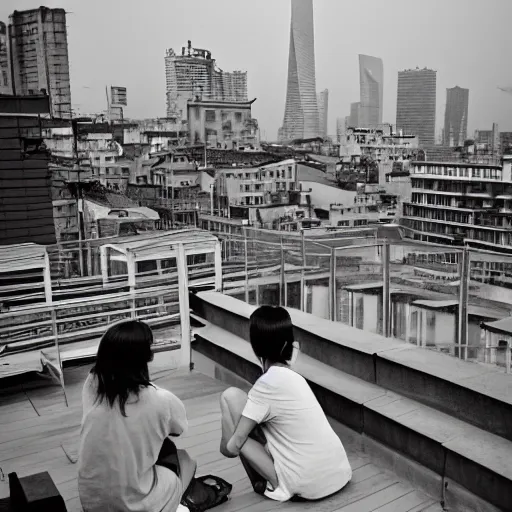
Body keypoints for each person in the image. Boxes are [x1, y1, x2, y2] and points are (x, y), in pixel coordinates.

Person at [219, 306, 352, 502]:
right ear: (288, 344)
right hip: (339, 473)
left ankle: (276, 484)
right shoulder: (295, 378)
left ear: (255, 346)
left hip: (308, 485)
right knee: (250, 414)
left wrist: (228, 433)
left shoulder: (265, 386)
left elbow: (231, 449)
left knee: (230, 397)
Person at [77, 320, 195, 512]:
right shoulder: (159, 399)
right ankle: (172, 505)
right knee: (186, 460)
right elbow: (179, 428)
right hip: (132, 505)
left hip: (91, 503)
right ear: (146, 357)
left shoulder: (92, 386)